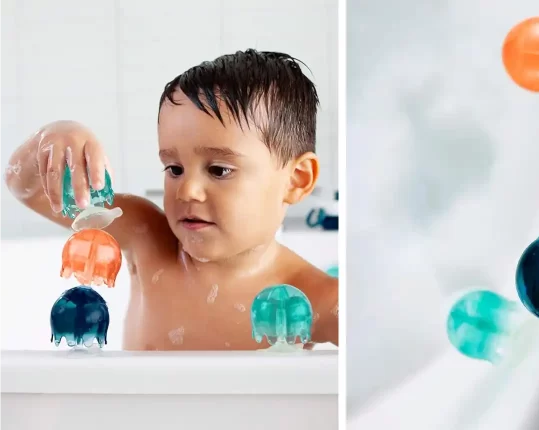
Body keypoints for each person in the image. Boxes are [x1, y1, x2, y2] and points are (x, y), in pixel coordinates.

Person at [4, 49, 338, 350]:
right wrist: (57, 136)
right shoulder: (147, 236)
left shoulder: (310, 299)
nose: (187, 190)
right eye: (174, 168)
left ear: (296, 180)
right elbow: (26, 188)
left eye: (219, 170)